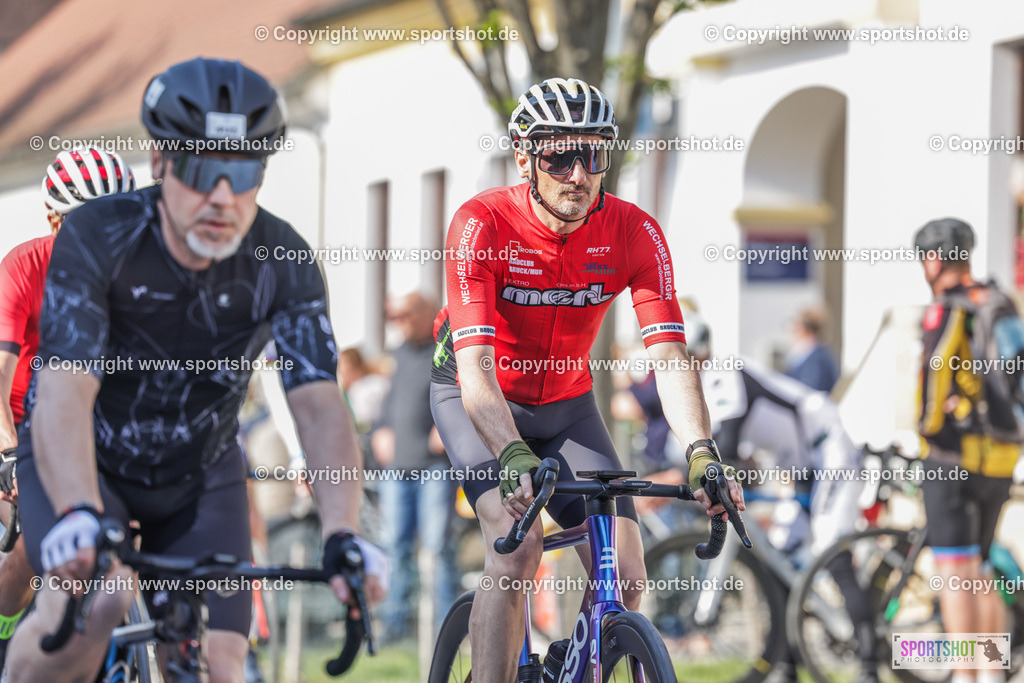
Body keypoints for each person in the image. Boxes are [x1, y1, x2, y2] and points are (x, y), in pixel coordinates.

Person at [7, 57, 387, 683]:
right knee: (88, 608)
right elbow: (65, 390)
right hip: (85, 457)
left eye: (244, 173)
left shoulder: (281, 259)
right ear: (160, 163)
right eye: (202, 168)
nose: (222, 197)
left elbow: (318, 404)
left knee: (224, 660)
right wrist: (76, 510)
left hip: (200, 471)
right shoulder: (99, 237)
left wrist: (343, 532)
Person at [429, 77, 743, 681]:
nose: (578, 173)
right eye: (559, 156)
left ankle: (569, 664)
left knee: (624, 578)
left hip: (568, 404)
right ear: (525, 157)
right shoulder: (482, 224)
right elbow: (473, 369)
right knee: (516, 549)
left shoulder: (633, 231)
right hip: (478, 397)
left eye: (593, 153)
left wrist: (701, 451)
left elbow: (671, 358)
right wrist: (511, 452)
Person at [626, 310, 879, 683]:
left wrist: (671, 481)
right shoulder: (707, 382)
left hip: (828, 452)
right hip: (799, 463)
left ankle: (870, 665)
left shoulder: (723, 374)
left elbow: (723, 448)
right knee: (780, 554)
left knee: (830, 550)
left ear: (695, 353)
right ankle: (788, 664)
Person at [0, 148, 136, 670]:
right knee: (29, 546)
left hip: (89, 429)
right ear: (56, 220)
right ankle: (5, 632)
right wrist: (10, 454)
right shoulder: (25, 267)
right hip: (17, 425)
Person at [915, 218, 1016, 683]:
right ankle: (993, 675)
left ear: (934, 259)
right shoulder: (999, 302)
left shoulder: (946, 309)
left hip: (952, 460)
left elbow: (937, 371)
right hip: (1002, 457)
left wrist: (928, 428)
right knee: (980, 566)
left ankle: (965, 674)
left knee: (955, 571)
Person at [371, 292, 457, 640]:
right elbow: (390, 406)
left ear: (426, 313)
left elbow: (467, 393)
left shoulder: (445, 349)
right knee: (394, 546)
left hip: (434, 467)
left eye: (406, 315)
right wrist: (379, 432)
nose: (400, 323)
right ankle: (395, 625)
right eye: (395, 317)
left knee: (436, 547)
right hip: (397, 468)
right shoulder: (400, 354)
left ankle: (444, 625)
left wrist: (450, 426)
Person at [784, 307, 840, 393]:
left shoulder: (816, 360)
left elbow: (809, 391)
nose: (793, 335)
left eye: (796, 329)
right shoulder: (811, 356)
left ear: (805, 330)